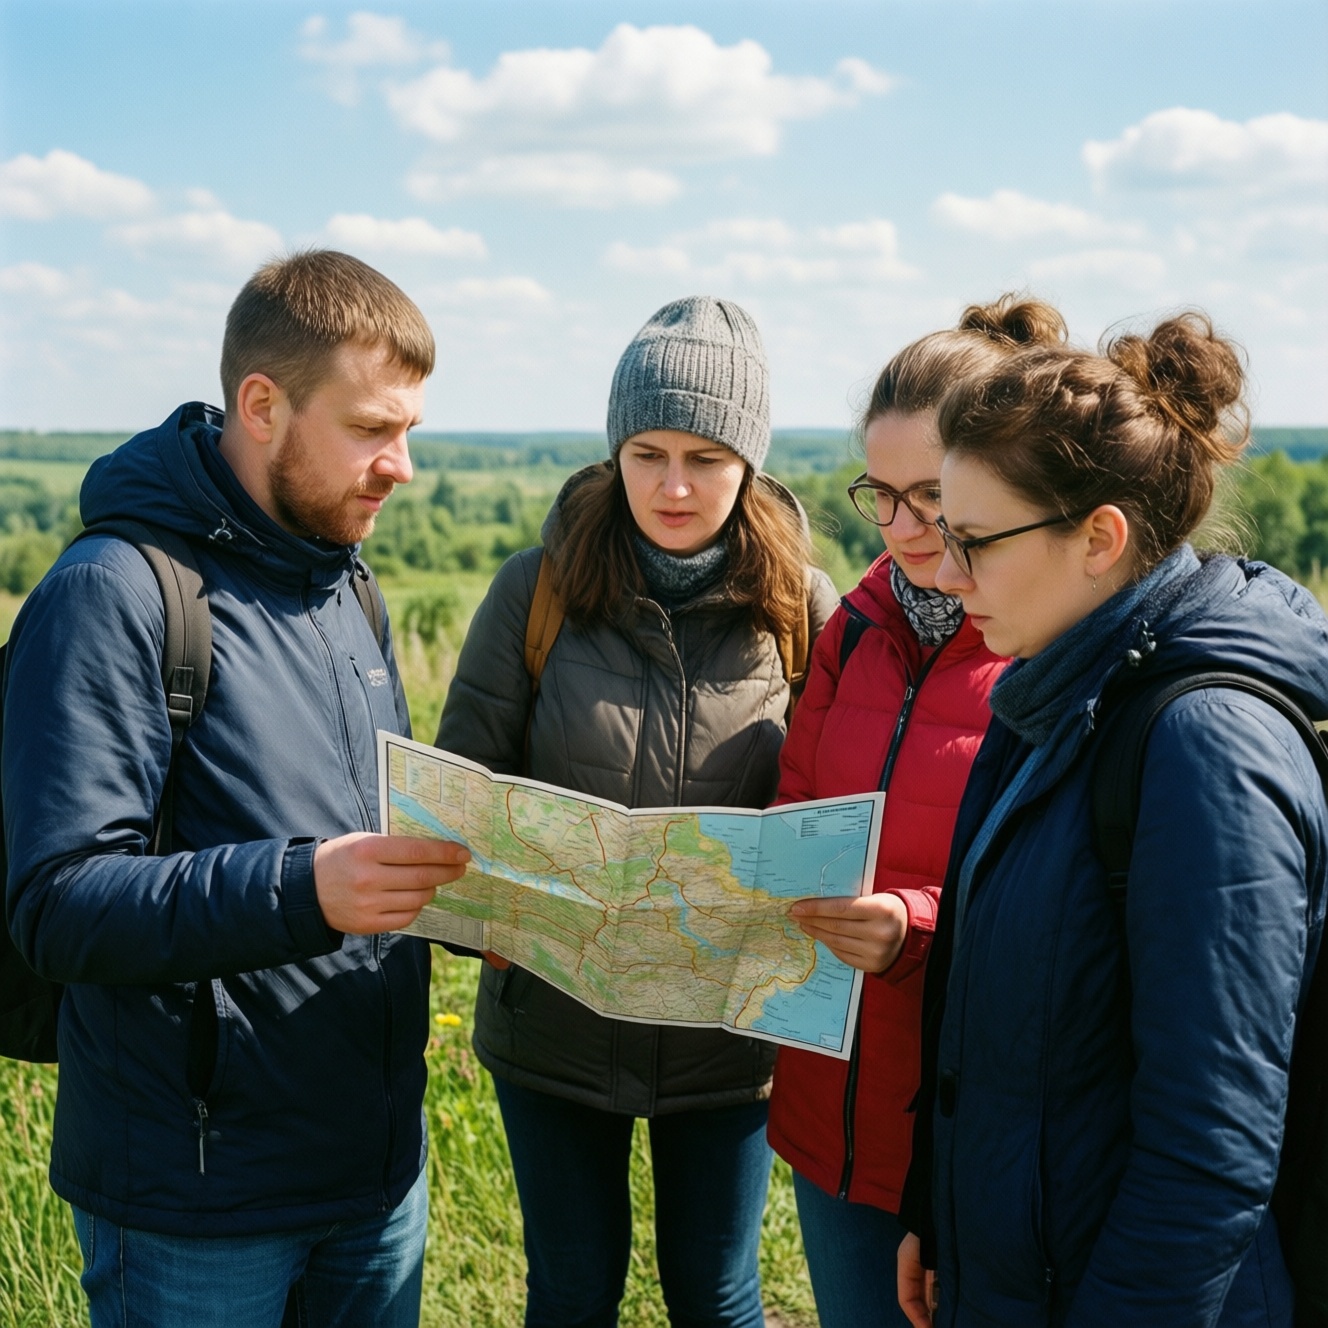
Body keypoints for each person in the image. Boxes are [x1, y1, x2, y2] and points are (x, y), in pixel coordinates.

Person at [2, 250, 471, 1328]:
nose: (401, 466)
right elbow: (59, 902)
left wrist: (484, 904)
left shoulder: (348, 585)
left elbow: (363, 839)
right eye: (370, 428)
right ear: (261, 406)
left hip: (375, 1173)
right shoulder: (112, 593)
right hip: (196, 1203)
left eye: (409, 430)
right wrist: (305, 887)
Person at [896, 313, 1328, 1326]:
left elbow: (1209, 1148)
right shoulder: (1053, 692)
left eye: (974, 541)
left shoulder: (1204, 747)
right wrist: (939, 1210)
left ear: (1098, 538)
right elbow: (1003, 1033)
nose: (946, 574)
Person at [435, 295, 839, 1328]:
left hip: (728, 1034)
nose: (672, 485)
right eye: (647, 452)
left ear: (749, 461)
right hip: (554, 1022)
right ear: (613, 449)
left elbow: (837, 814)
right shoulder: (536, 591)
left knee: (717, 1295)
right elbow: (460, 793)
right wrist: (483, 913)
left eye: (706, 457)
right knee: (572, 1293)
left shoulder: (803, 609)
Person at [766, 296, 1067, 1328]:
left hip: (969, 1121)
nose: (899, 529)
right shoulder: (849, 631)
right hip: (831, 1104)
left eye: (930, 496)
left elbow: (1057, 893)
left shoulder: (1037, 649)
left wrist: (914, 925)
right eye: (880, 495)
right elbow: (798, 810)